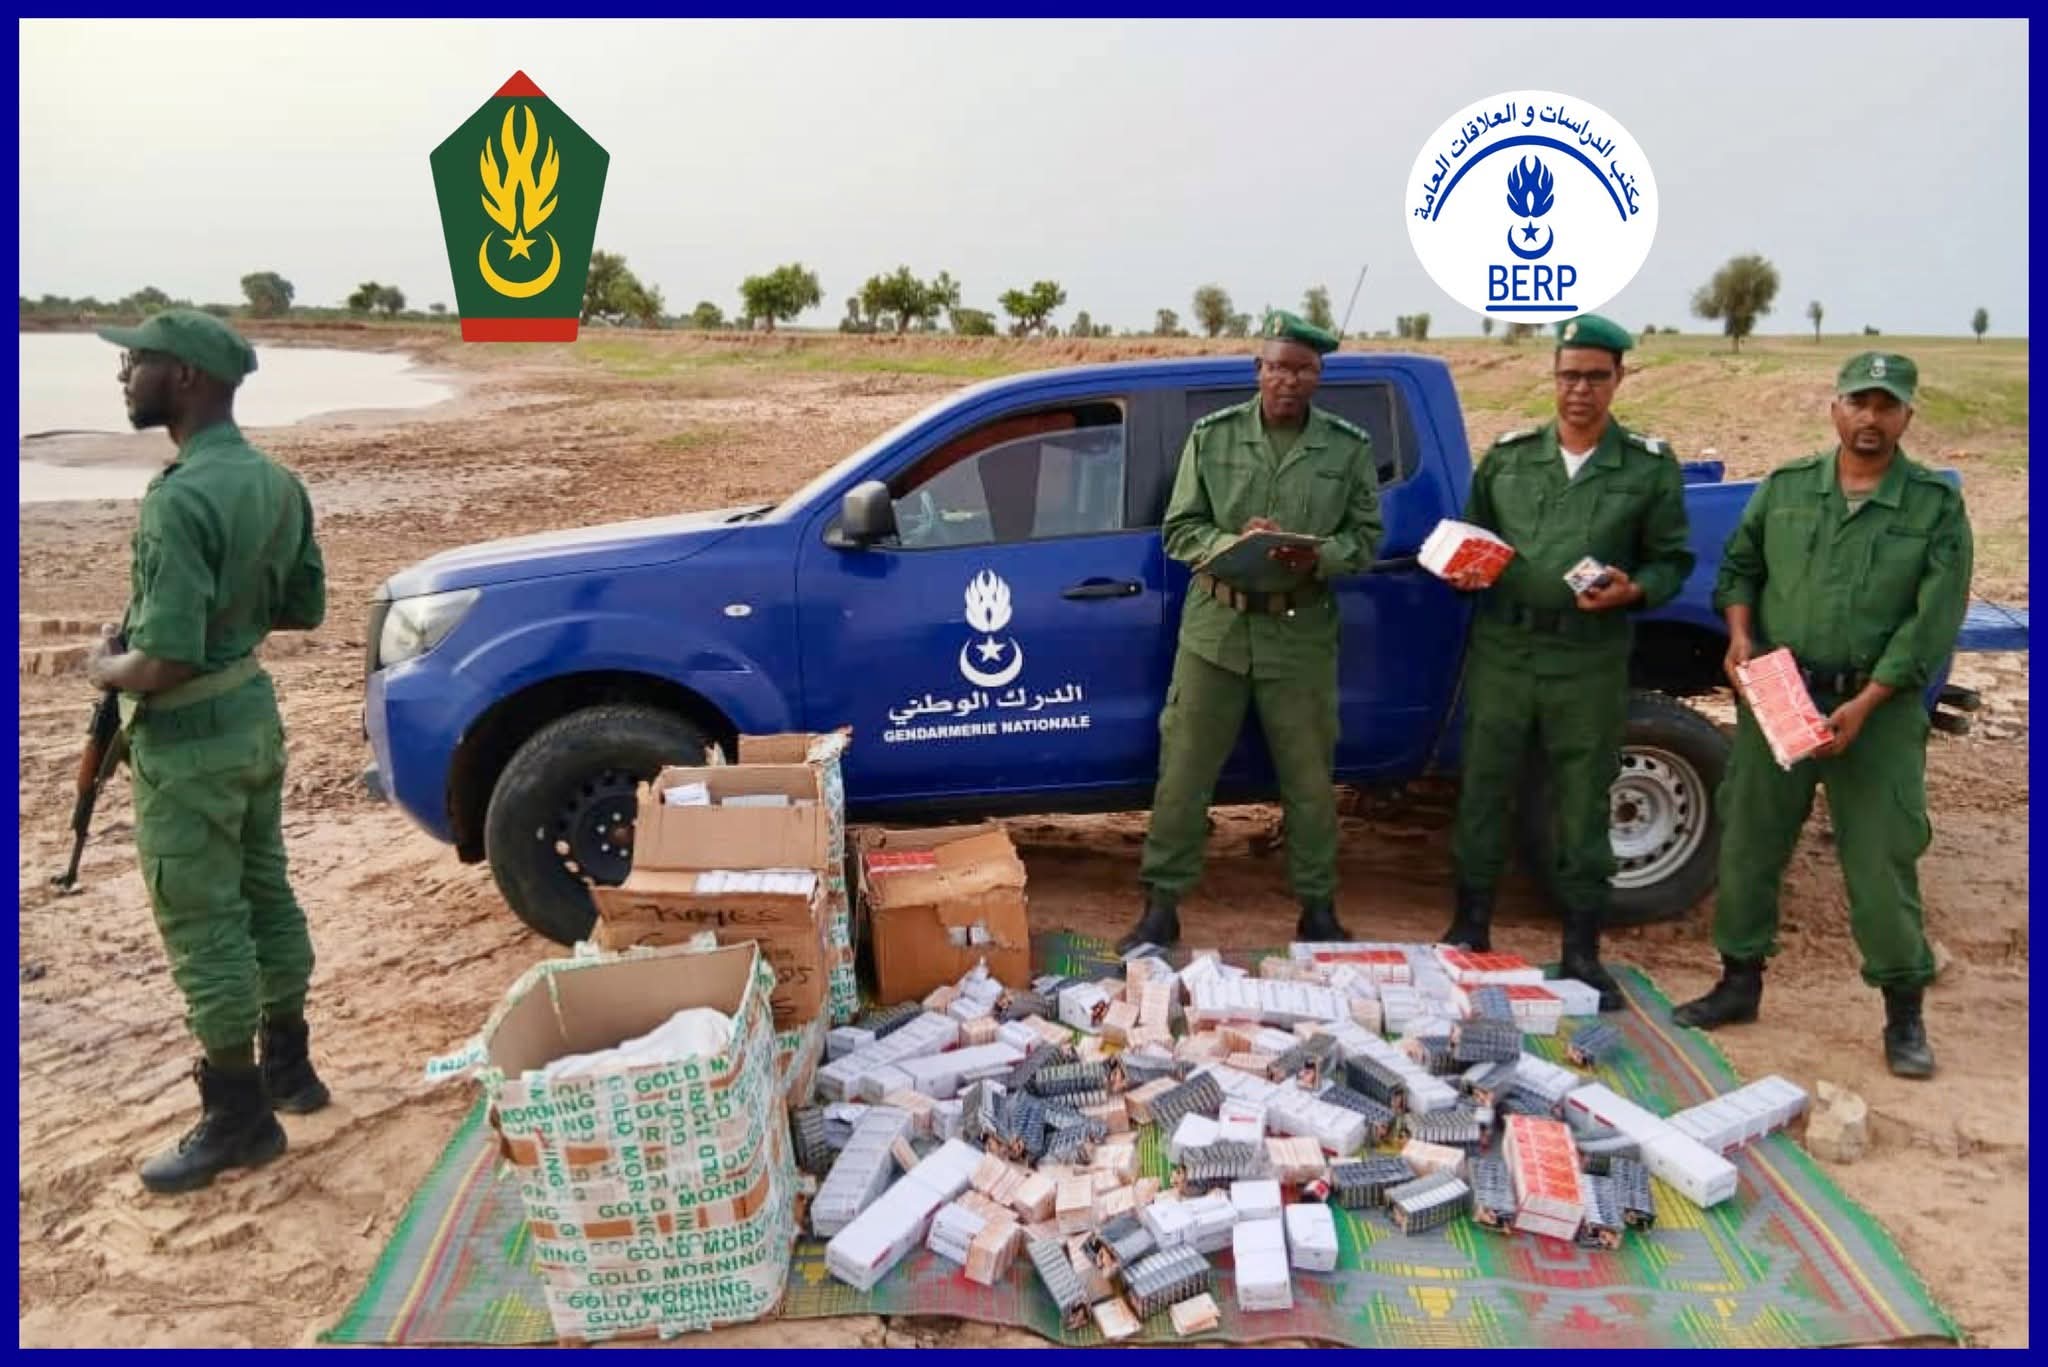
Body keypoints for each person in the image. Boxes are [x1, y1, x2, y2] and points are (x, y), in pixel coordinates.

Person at [85, 309, 330, 1193]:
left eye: (136, 360)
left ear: (185, 376)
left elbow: (165, 660)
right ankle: (291, 1068)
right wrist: (233, 619)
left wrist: (104, 665)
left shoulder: (179, 497)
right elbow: (304, 607)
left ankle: (238, 1116)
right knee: (266, 890)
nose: (124, 375)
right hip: (251, 716)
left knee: (203, 920)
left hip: (189, 734)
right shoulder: (278, 483)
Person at [1673, 352, 1971, 1078]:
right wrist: (1739, 636)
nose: (1871, 418)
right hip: (1781, 693)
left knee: (1880, 857)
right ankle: (1739, 981)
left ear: (1907, 415)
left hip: (1878, 706)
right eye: (1858, 402)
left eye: (1887, 406)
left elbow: (1933, 621)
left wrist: (1867, 703)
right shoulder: (1787, 488)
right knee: (1750, 838)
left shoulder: (1933, 506)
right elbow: (1740, 568)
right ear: (1835, 408)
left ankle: (1903, 1011)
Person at [1438, 314, 1694, 1011]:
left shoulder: (1646, 467)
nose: (1580, 390)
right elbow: (1473, 538)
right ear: (1553, 377)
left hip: (1589, 654)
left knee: (1585, 796)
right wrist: (1463, 569)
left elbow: (1672, 559)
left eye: (1595, 377)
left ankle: (1582, 948)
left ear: (1619, 378)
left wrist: (1634, 589)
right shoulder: (1509, 457)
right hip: (1505, 646)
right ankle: (1470, 924)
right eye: (1569, 375)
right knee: (1484, 784)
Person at [1119, 310, 1383, 952]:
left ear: (1319, 377)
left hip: (1300, 631)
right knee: (1184, 772)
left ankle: (1318, 910)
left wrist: (1316, 555)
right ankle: (1161, 907)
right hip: (1217, 629)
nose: (1289, 380)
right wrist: (1230, 543)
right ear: (1258, 369)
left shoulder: (1347, 448)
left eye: (1303, 369)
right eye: (1278, 367)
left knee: (1309, 780)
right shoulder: (1213, 437)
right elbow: (1180, 528)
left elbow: (1366, 538)